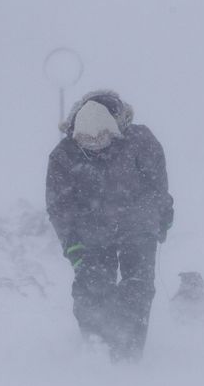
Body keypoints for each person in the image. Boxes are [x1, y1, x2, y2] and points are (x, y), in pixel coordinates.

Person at [46, 90, 174, 361]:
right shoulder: (63, 156)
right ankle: (96, 350)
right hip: (90, 234)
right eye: (86, 140)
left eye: (100, 138)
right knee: (91, 287)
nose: (94, 145)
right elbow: (60, 207)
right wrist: (73, 245)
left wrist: (160, 216)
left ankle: (129, 355)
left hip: (137, 228)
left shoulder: (141, 142)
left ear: (114, 130)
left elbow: (156, 187)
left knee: (137, 288)